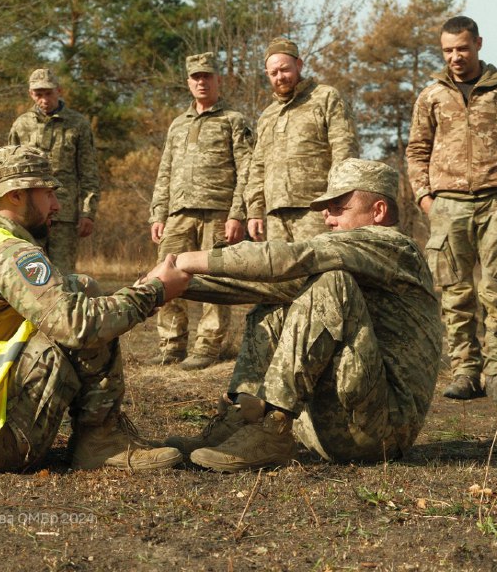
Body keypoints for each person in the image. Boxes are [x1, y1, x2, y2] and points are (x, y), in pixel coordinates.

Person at [165, 159, 442, 471]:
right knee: (274, 291)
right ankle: (244, 419)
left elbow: (291, 257)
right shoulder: (359, 257)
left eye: (339, 206)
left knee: (330, 281)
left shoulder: (395, 246)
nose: (327, 218)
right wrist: (166, 287)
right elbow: (266, 278)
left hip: (380, 434)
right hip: (334, 422)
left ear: (377, 212)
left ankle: (274, 428)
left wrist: (183, 262)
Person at [0, 145, 188, 472]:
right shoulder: (12, 254)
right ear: (16, 196)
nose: (57, 205)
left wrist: (140, 292)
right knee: (83, 316)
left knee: (78, 288)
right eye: (48, 193)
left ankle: (99, 439)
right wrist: (155, 292)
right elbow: (78, 325)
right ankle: (101, 441)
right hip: (4, 442)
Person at [406, 16, 497, 403]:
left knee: (496, 292)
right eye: (448, 50)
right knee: (455, 292)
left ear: (478, 43)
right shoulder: (431, 95)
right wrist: (425, 197)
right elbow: (417, 150)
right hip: (447, 205)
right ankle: (465, 371)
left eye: (462, 48)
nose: (455, 57)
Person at [147, 52, 254, 370]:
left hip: (218, 213)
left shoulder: (233, 120)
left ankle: (208, 346)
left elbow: (247, 169)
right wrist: (158, 214)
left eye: (207, 76)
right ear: (188, 82)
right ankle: (171, 344)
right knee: (167, 277)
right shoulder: (178, 125)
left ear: (218, 80)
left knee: (216, 280)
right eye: (196, 77)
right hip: (179, 214)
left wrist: (238, 213)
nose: (201, 81)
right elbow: (164, 170)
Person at [245, 37, 360, 243]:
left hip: (316, 209)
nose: (280, 77)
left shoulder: (326, 97)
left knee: (320, 271)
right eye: (273, 73)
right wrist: (254, 211)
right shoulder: (267, 116)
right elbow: (257, 166)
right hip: (275, 214)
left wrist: (336, 199)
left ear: (299, 65)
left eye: (284, 69)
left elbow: (344, 149)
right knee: (281, 274)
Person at [8, 68, 100, 275]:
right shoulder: (21, 125)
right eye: (38, 94)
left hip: (64, 215)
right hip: (29, 214)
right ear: (31, 94)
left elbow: (89, 172)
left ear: (59, 91)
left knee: (63, 275)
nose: (44, 99)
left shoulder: (77, 124)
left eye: (48, 93)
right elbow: (11, 173)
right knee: (30, 274)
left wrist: (88, 213)